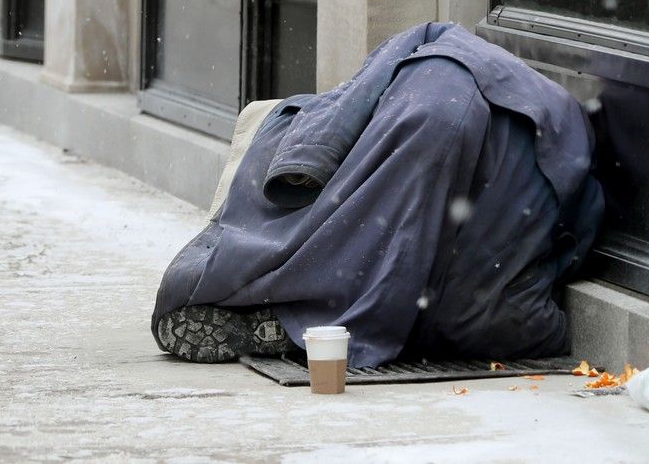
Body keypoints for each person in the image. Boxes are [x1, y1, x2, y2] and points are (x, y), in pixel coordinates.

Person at [152, 23, 605, 368]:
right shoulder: (426, 83)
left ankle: (304, 318)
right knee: (393, 253)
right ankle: (307, 317)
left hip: (469, 117)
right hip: (496, 130)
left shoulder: (426, 92)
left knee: (371, 239)